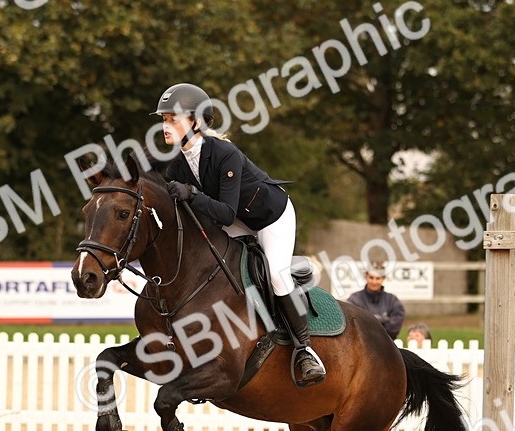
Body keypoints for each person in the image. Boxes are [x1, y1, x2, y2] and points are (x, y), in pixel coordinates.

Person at [155, 82, 326, 387]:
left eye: (173, 119)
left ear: (195, 121)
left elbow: (226, 213)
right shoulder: (177, 164)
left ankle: (305, 350)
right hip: (234, 221)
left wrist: (192, 194)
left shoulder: (224, 153)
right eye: (164, 120)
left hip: (270, 217)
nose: (166, 126)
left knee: (275, 274)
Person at [346, 265, 405, 340]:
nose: (374, 282)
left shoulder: (392, 300)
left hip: (386, 345)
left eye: (378, 278)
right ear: (366, 277)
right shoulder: (355, 299)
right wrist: (384, 319)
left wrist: (367, 322)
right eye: (371, 277)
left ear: (383, 279)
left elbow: (395, 327)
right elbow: (351, 324)